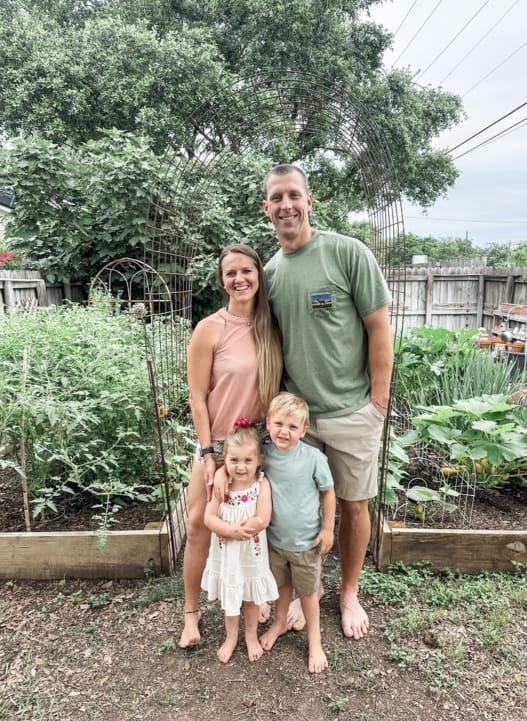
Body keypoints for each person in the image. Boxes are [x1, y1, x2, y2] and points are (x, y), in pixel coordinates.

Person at [262, 164, 394, 641]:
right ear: (266, 208)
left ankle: (350, 590)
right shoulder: (271, 273)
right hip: (298, 421)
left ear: (309, 201)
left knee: (355, 507)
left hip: (353, 411)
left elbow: (379, 327)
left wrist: (378, 401)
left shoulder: (347, 252)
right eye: (276, 198)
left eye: (293, 195)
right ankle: (305, 590)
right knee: (301, 509)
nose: (286, 206)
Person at [178, 243, 282, 649]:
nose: (239, 279)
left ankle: (259, 598)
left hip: (257, 451)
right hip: (217, 446)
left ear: (259, 274)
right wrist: (208, 454)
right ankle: (190, 614)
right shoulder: (210, 328)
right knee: (199, 525)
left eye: (247, 271)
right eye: (230, 273)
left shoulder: (273, 327)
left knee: (259, 526)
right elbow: (196, 396)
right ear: (221, 281)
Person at [259, 392, 336, 673]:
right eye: (279, 424)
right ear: (267, 423)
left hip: (306, 543)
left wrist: (328, 528)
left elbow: (328, 493)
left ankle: (315, 641)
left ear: (304, 430)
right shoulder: (263, 454)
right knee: (281, 587)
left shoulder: (313, 457)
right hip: (275, 541)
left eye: (293, 427)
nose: (284, 431)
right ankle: (279, 623)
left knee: (307, 593)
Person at [201, 420, 278, 663]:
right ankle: (231, 636)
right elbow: (208, 517)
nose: (241, 467)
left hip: (251, 552)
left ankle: (251, 635)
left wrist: (237, 530)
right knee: (232, 593)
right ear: (225, 458)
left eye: (247, 460)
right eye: (234, 460)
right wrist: (228, 529)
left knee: (251, 597)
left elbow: (263, 518)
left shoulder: (261, 484)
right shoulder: (222, 485)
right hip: (228, 553)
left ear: (259, 460)